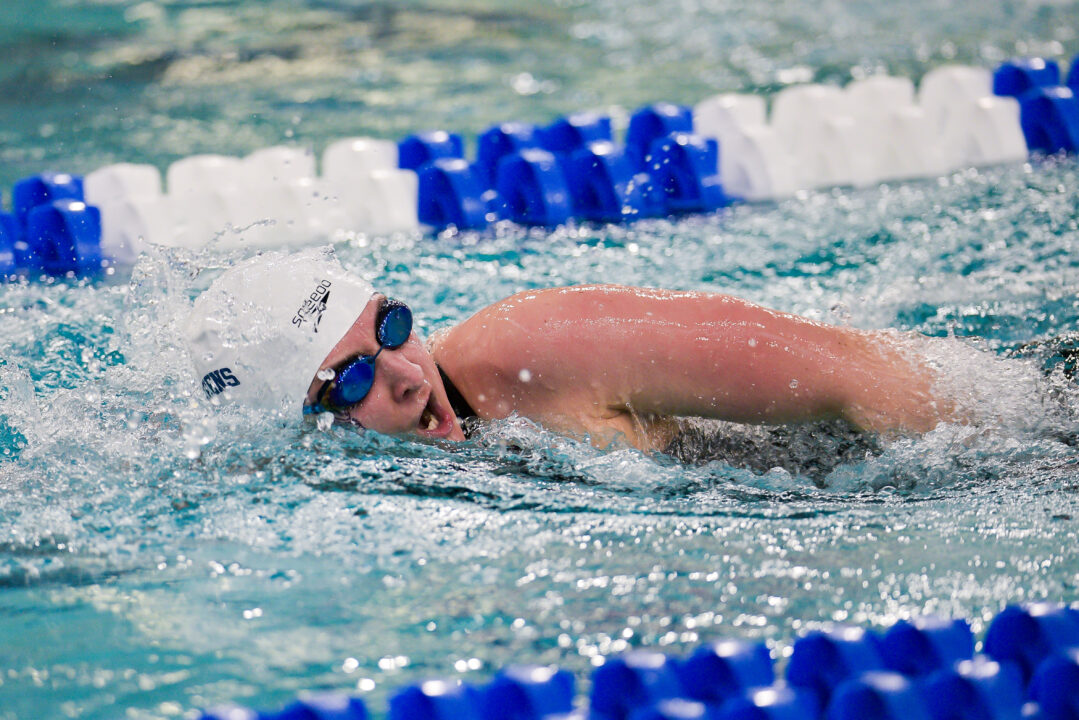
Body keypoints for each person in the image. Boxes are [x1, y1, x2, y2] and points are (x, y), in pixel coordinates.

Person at [185, 246, 966, 453]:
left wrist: (1007, 445)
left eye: (391, 328)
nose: (407, 376)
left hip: (966, 432)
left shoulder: (529, 350)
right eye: (353, 378)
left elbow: (852, 372)